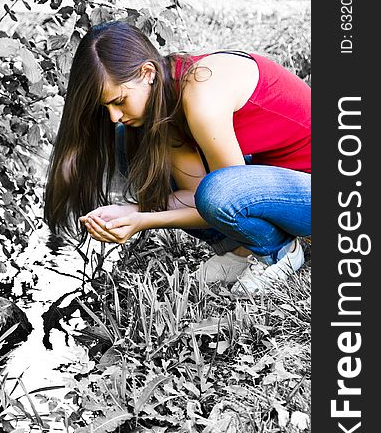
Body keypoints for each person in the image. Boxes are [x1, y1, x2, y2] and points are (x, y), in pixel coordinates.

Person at [44, 21, 311, 295]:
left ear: (147, 72)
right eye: (106, 106)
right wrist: (133, 211)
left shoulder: (201, 95)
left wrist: (145, 221)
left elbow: (226, 198)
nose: (113, 116)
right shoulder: (164, 98)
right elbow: (195, 196)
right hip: (276, 184)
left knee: (218, 192)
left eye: (119, 101)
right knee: (129, 140)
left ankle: (279, 252)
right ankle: (239, 250)